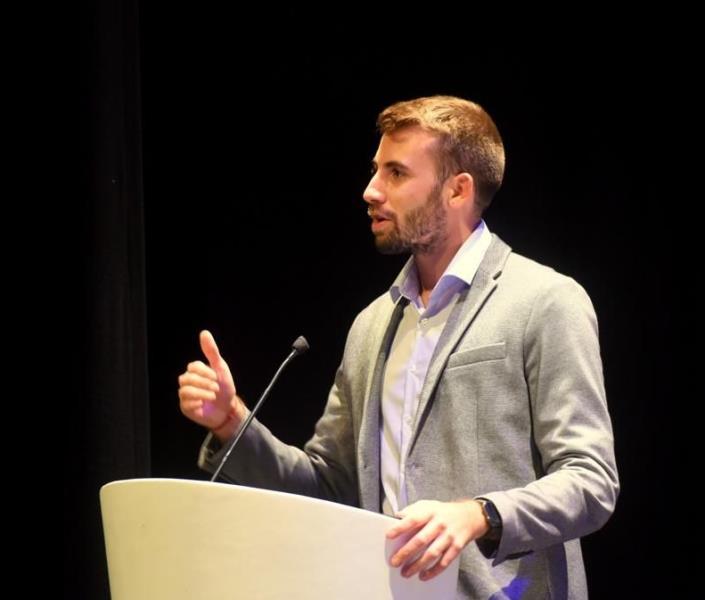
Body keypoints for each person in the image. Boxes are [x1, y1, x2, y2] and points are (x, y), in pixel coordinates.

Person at [178, 95, 619, 599]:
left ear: (457, 190)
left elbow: (590, 481)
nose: (370, 191)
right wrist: (234, 424)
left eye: (396, 173)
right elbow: (331, 487)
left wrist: (479, 514)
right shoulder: (371, 326)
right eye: (375, 170)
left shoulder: (545, 302)